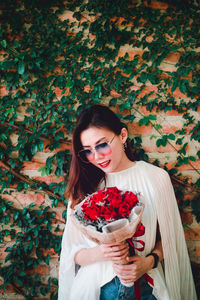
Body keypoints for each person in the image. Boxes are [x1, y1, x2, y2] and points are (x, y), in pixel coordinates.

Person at [58, 104, 197, 300]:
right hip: (95, 290)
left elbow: (169, 237)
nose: (97, 157)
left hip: (147, 287)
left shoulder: (156, 178)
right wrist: (104, 251)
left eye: (102, 144)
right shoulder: (84, 186)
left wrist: (149, 262)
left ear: (123, 135)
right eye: (88, 151)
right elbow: (73, 254)